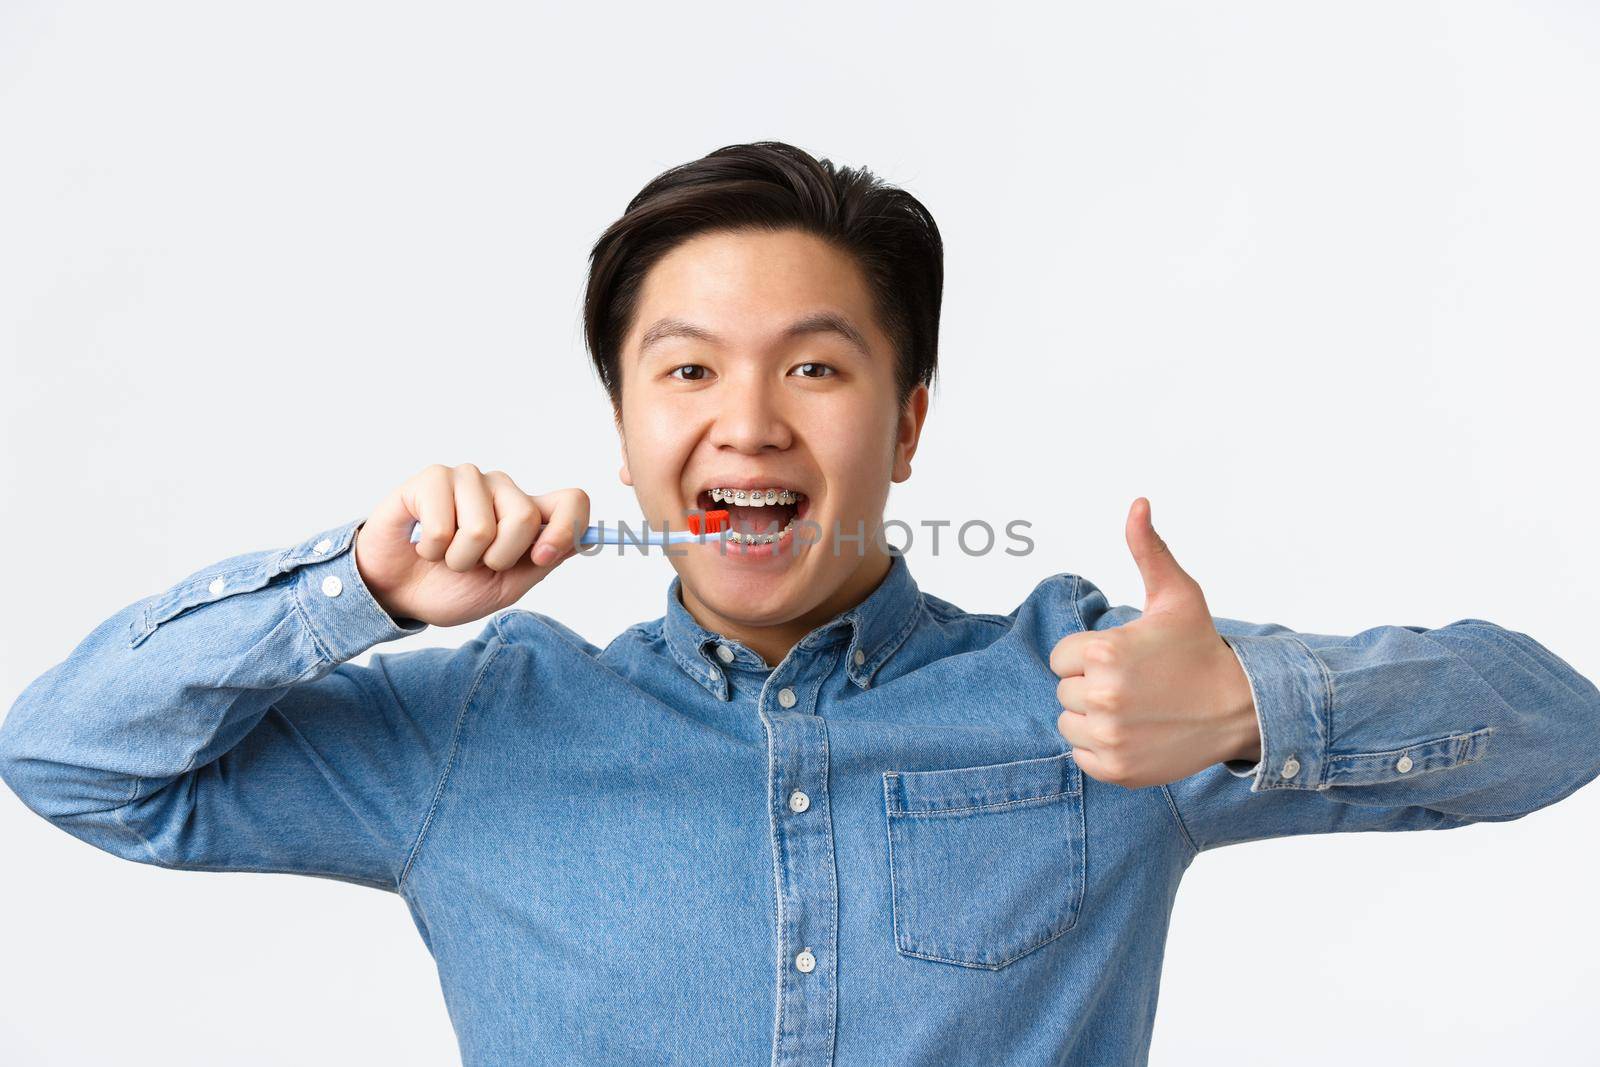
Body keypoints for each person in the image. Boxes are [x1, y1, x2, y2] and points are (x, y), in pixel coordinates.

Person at [2, 140, 1597, 1067]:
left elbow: (1558, 729)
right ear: (626, 423)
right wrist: (349, 591)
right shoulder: (477, 731)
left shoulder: (1099, 689)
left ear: (905, 422)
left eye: (817, 367)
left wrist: (1257, 707)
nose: (750, 422)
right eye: (686, 369)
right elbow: (72, 761)